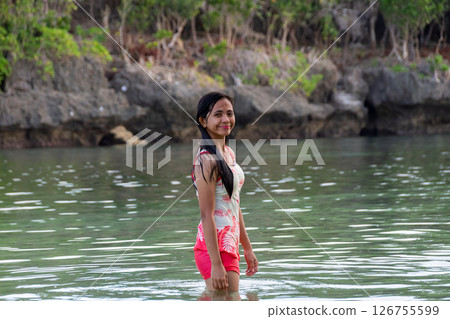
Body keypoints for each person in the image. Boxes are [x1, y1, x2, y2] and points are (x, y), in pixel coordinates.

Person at [191, 91, 258, 296]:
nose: (226, 119)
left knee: (225, 302)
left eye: (229, 113)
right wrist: (216, 264)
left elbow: (234, 205)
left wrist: (247, 248)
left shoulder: (228, 153)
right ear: (203, 121)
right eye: (218, 114)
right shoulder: (206, 160)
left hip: (230, 245)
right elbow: (207, 214)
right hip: (215, 249)